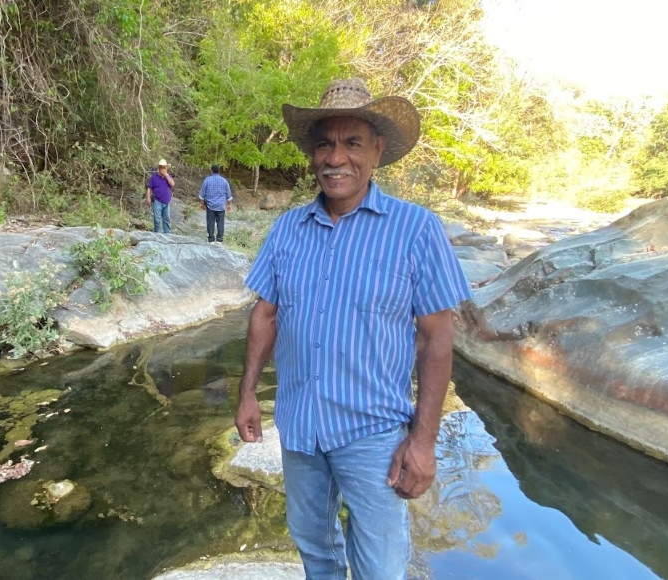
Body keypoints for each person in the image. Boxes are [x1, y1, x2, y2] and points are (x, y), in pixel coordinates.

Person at [235, 78, 471, 579]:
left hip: (374, 435)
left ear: (378, 151)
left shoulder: (416, 229)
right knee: (314, 548)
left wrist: (423, 443)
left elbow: (436, 339)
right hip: (299, 426)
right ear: (312, 153)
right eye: (324, 143)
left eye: (352, 143)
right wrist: (248, 393)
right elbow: (266, 313)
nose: (335, 157)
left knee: (380, 567)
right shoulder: (287, 230)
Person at [199, 164, 233, 243]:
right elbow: (228, 194)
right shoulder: (224, 181)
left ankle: (211, 239)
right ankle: (219, 240)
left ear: (211, 170)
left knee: (210, 222)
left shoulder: (207, 180)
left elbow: (202, 193)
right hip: (221, 206)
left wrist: (201, 203)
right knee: (220, 223)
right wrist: (229, 204)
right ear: (219, 171)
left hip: (210, 205)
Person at [146, 159, 175, 234]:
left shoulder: (168, 176)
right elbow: (149, 188)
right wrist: (148, 198)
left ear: (166, 168)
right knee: (157, 219)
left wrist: (166, 175)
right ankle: (157, 233)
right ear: (159, 168)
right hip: (157, 200)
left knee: (167, 219)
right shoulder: (154, 177)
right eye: (161, 167)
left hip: (166, 201)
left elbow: (172, 184)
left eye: (164, 167)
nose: (163, 169)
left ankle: (168, 233)